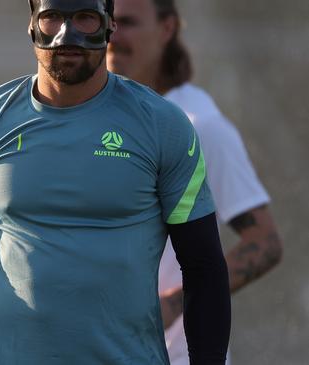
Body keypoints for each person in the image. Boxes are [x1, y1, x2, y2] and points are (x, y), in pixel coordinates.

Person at [0, 0, 231, 364]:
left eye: (85, 18)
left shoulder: (162, 126)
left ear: (109, 26)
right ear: (32, 25)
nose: (67, 34)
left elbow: (203, 267)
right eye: (52, 17)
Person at [106, 0, 283, 364]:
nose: (113, 36)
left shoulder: (199, 126)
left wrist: (171, 306)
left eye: (127, 23)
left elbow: (264, 242)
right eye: (106, 22)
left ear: (167, 29)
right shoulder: (97, 120)